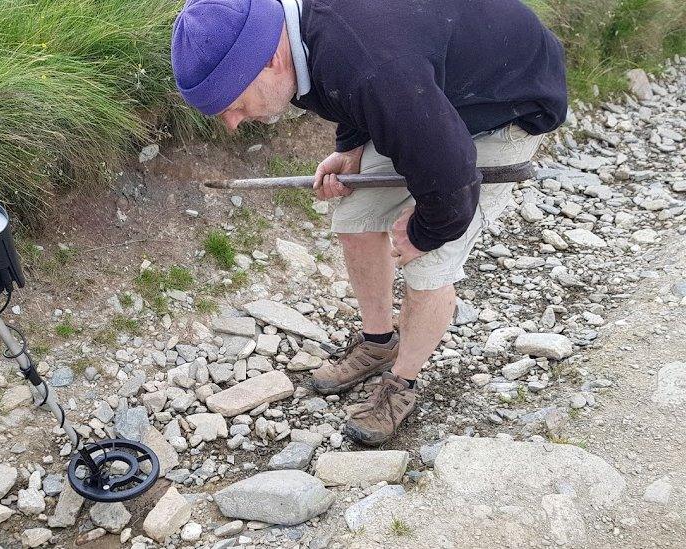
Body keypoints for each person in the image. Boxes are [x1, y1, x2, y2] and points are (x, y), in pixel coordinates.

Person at [171, 0, 567, 445]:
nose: (232, 123)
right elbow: (350, 89)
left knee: (430, 260)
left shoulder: (369, 63)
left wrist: (424, 230)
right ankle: (379, 342)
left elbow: (452, 176)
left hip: (504, 103)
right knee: (356, 214)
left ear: (269, 58)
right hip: (429, 88)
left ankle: (403, 384)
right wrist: (352, 145)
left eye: (234, 104)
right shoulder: (300, 35)